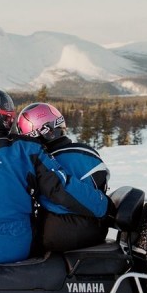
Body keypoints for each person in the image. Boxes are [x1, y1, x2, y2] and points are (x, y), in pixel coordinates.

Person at [0, 89, 110, 264]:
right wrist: (103, 206)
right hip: (21, 247)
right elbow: (60, 189)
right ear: (8, 119)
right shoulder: (28, 149)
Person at [16, 102, 111, 251]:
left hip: (59, 233)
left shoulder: (40, 164)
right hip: (95, 229)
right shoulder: (87, 153)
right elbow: (101, 185)